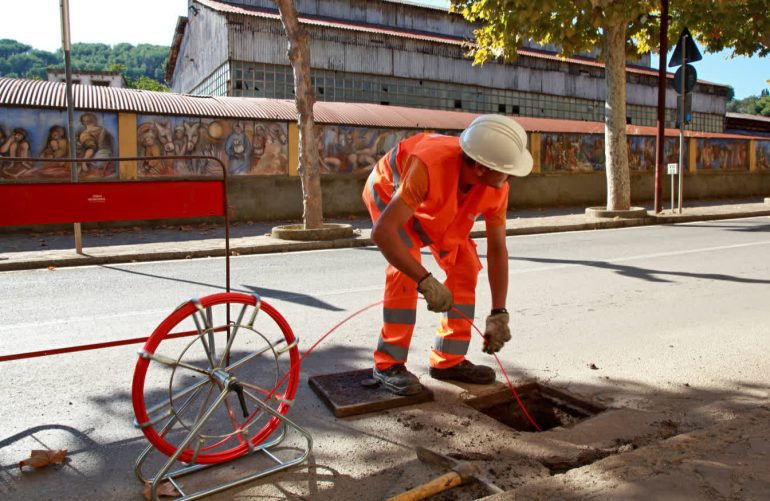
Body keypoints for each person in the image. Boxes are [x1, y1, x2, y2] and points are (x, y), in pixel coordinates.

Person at [362, 114, 533, 395]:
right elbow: (383, 233)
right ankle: (388, 365)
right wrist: (425, 280)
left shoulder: (496, 188)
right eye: (507, 169)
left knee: (464, 265)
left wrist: (499, 312)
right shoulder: (430, 165)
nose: (511, 176)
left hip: (434, 203)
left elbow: (498, 248)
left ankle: (447, 361)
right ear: (480, 166)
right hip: (389, 191)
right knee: (405, 267)